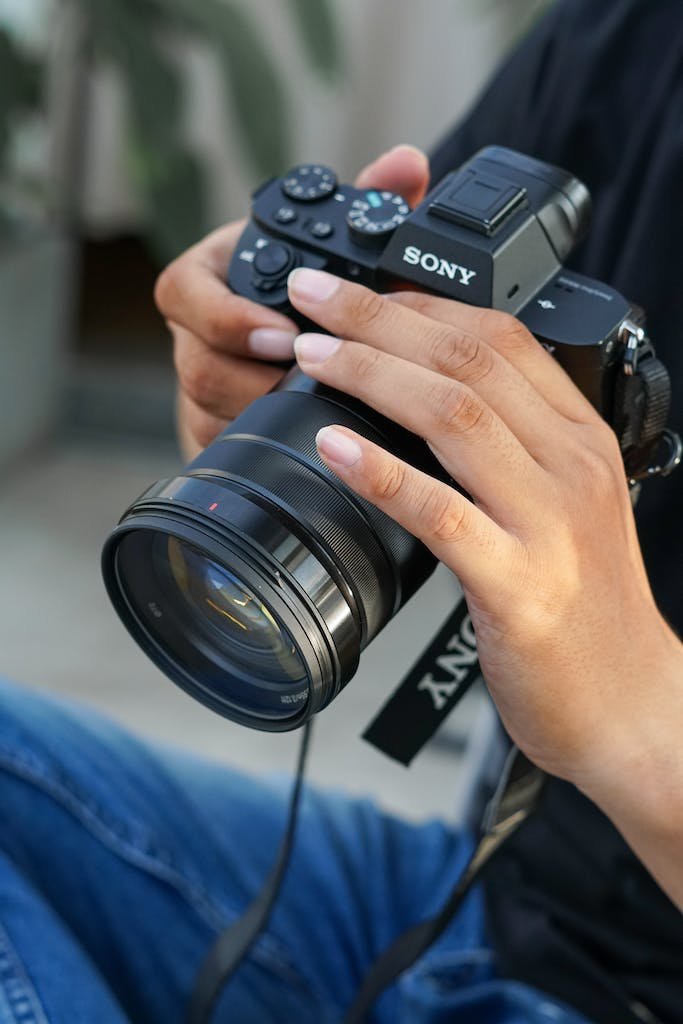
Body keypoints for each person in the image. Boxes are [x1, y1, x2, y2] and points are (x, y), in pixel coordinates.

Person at [0, 0, 681, 1021]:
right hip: (477, 899)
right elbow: (433, 317)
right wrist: (267, 371)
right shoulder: (630, 33)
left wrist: (639, 724)